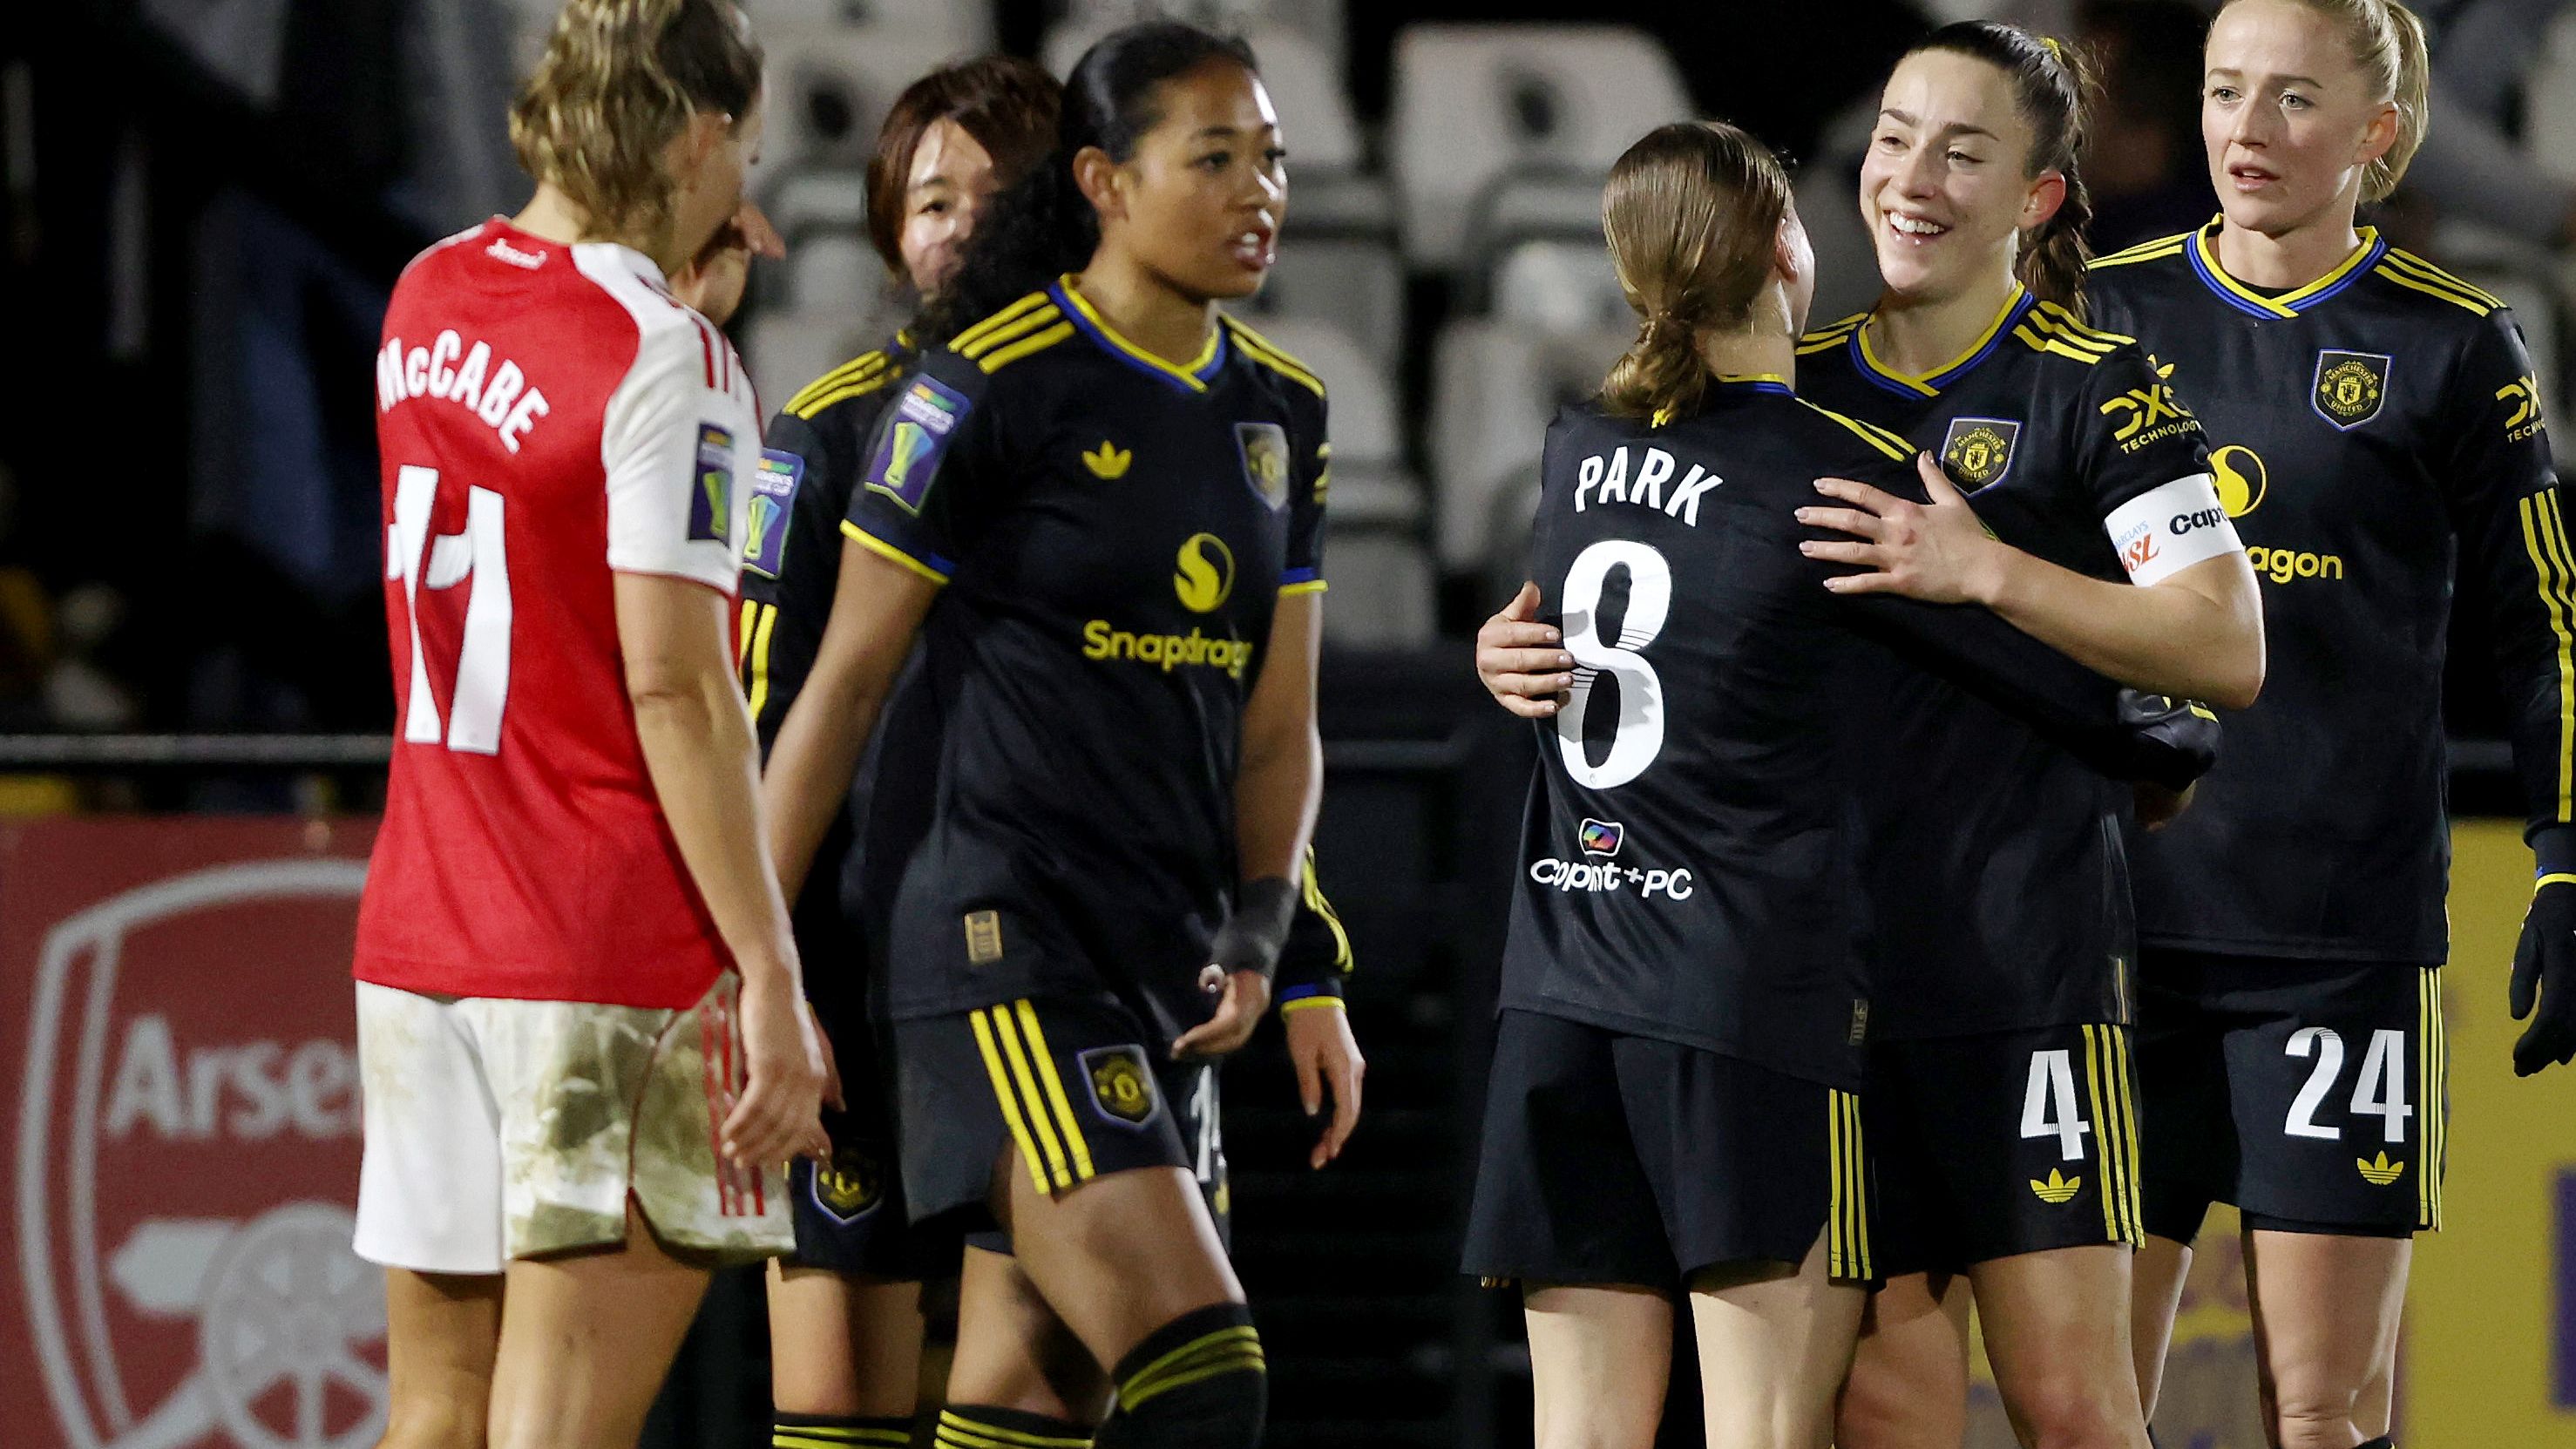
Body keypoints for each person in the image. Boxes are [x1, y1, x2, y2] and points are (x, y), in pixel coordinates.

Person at [1461, 118, 2220, 1449]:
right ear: (1782, 247)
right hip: (1740, 1006)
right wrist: (2165, 736)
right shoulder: (1834, 476)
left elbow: (1574, 644)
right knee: (1767, 1430)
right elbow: (2065, 678)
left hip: (1561, 993)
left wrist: (1490, 653)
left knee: (1580, 1435)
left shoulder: (1576, 447)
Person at [757, 23, 1349, 1448]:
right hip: (994, 945)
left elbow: (1275, 726)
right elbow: (830, 694)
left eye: (1272, 159)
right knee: (1204, 1376)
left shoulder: (1283, 412)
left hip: (1167, 959)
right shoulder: (963, 393)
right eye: (1215, 158)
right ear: (1104, 182)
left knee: (1030, 1412)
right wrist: (756, 969)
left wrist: (1281, 942)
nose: (1258, 190)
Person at [2071, 3, 2576, 1444]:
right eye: (2226, 90)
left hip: (2338, 943)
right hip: (2118, 931)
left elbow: (2544, 621)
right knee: (2081, 1407)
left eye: (2294, 98)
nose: (2247, 128)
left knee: (2319, 1412)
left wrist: (2565, 854)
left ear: (2380, 133)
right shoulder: (2100, 315)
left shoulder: (2454, 342)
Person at [349, 5, 829, 1449]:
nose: (742, 181)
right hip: (605, 955)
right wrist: (769, 966)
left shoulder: (424, 292)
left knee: (435, 1415)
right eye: (744, 150)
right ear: (697, 137)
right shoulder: (668, 356)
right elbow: (677, 689)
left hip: (423, 936)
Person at [740, 55, 1063, 1449]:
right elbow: (764, 723)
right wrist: (762, 978)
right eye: (931, 201)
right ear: (887, 231)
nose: (961, 226)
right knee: (832, 1417)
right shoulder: (823, 435)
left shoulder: (1145, 429)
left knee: (1027, 1398)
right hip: (854, 983)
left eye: (995, 194)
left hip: (1053, 982)